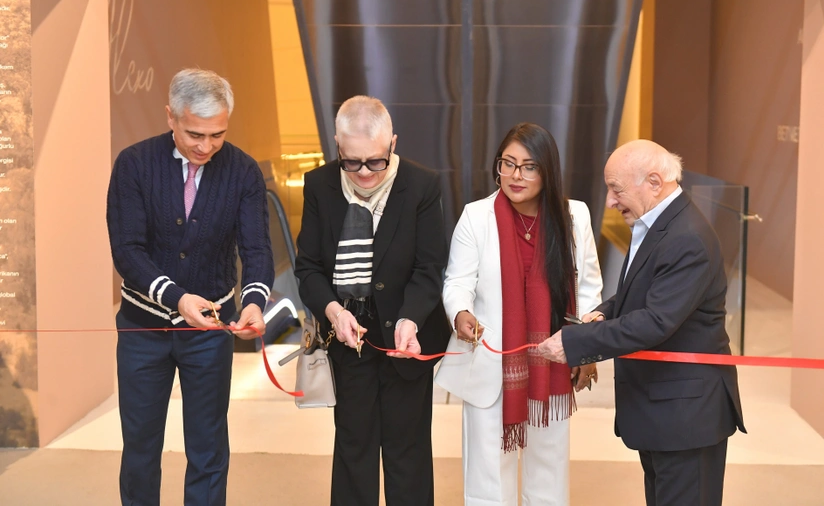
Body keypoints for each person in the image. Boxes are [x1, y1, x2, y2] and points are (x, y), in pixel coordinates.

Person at [539, 139, 746, 506]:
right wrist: (604, 313)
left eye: (616, 189)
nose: (610, 201)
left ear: (654, 182)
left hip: (687, 417)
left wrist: (574, 343)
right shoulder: (662, 224)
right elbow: (641, 291)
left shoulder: (687, 238)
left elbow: (655, 321)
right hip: (664, 413)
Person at [106, 69, 274, 506]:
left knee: (208, 445)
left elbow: (256, 248)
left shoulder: (243, 172)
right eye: (194, 134)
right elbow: (127, 250)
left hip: (210, 333)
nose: (206, 146)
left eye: (218, 134)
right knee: (140, 446)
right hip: (143, 328)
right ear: (170, 117)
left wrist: (254, 302)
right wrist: (176, 298)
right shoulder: (134, 164)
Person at [434, 122, 603, 505]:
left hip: (553, 362)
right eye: (507, 164)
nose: (515, 175)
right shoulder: (476, 216)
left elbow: (589, 289)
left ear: (547, 170)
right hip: (491, 361)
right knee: (488, 479)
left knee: (548, 475)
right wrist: (460, 312)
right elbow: (457, 281)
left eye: (529, 167)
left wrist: (586, 350)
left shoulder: (573, 216)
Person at [294, 95, 452, 506]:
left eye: (375, 161)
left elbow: (429, 267)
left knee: (408, 453)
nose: (364, 172)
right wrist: (333, 312)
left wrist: (410, 319)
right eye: (351, 162)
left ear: (392, 144)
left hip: (406, 339)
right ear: (337, 146)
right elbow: (308, 267)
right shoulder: (320, 185)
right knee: (353, 449)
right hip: (349, 338)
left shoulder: (421, 185)